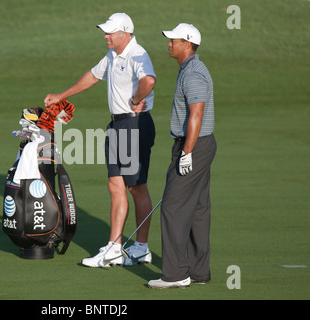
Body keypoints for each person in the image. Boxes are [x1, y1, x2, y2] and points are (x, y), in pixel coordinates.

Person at [44, 13, 157, 267]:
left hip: (134, 125)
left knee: (136, 187)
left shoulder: (137, 53)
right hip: (117, 125)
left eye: (110, 32)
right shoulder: (112, 56)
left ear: (125, 33)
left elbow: (149, 80)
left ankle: (141, 247)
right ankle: (115, 247)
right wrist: (61, 96)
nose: (105, 35)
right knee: (115, 185)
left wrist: (137, 101)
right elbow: (93, 76)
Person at [148, 23, 217, 288]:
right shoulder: (189, 69)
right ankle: (199, 271)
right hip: (200, 144)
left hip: (194, 146)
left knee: (173, 207)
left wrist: (186, 152)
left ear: (187, 44)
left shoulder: (193, 73)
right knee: (198, 208)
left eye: (173, 40)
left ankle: (175, 274)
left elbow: (196, 115)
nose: (169, 43)